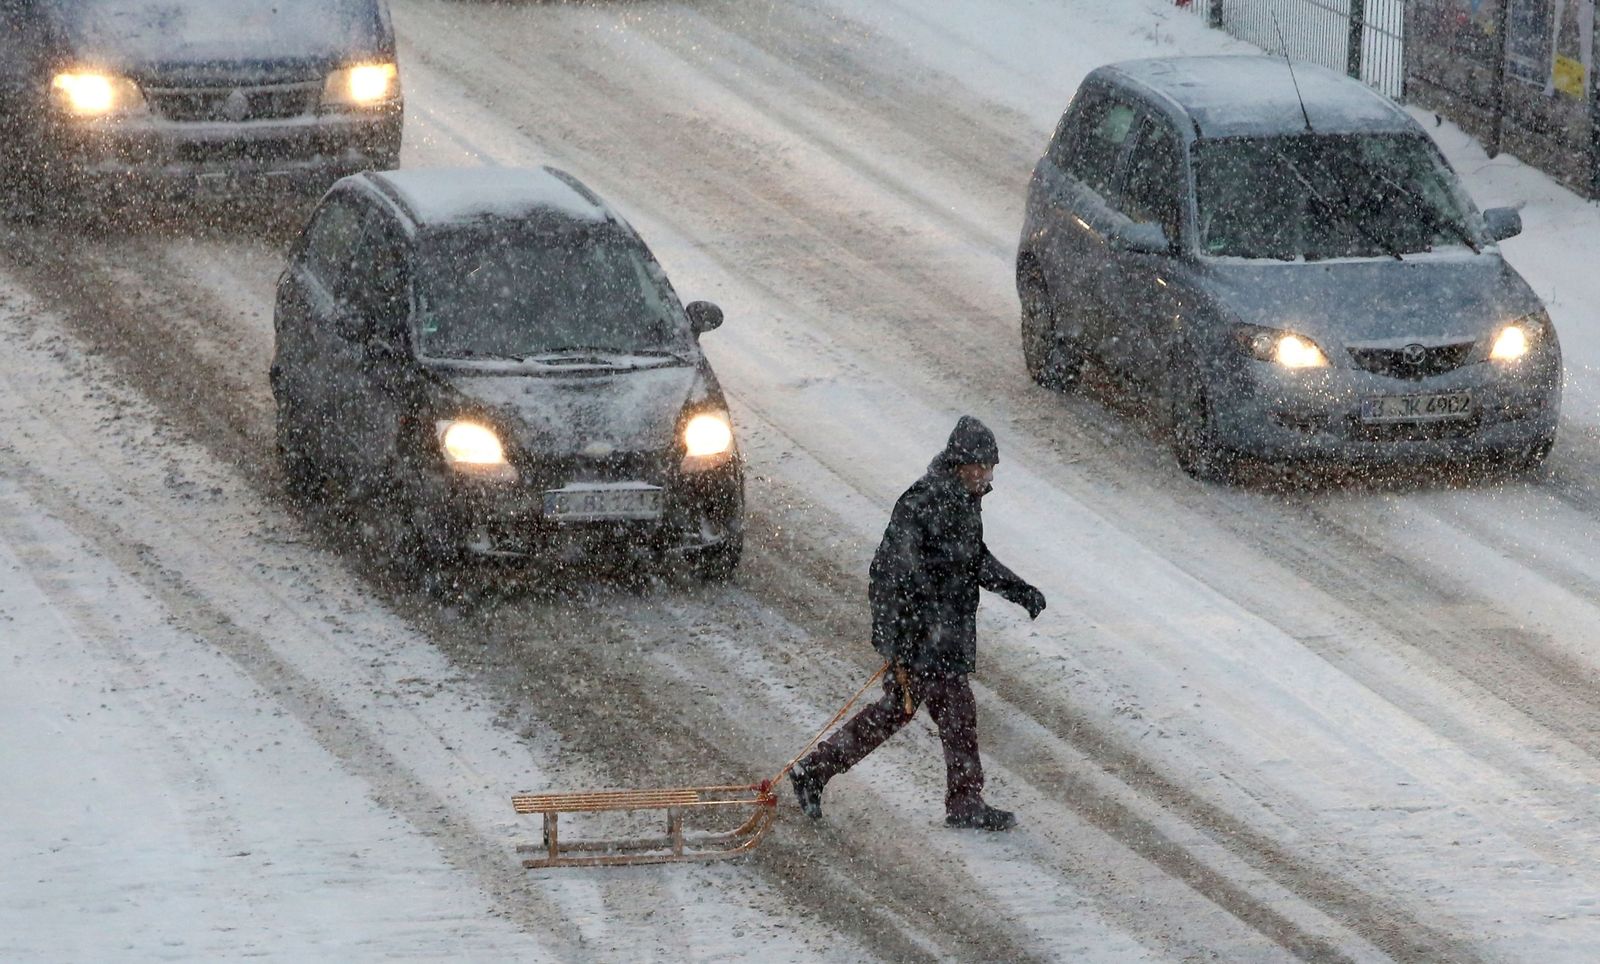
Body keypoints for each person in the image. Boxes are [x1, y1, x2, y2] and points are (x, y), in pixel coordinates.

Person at [790, 415, 1046, 831]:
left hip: (938, 639)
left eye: (989, 467)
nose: (983, 474)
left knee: (899, 712)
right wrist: (901, 641)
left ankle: (815, 771)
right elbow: (891, 573)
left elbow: (973, 559)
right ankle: (963, 801)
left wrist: (1020, 590)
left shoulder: (961, 501)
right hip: (924, 639)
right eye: (976, 466)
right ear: (957, 463)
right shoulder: (926, 503)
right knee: (952, 713)